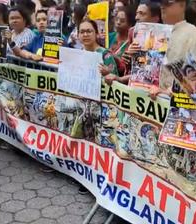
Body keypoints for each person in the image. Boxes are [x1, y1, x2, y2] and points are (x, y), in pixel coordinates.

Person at [77, 19, 118, 194]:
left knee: (103, 141)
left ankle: (103, 179)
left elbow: (115, 78)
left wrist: (107, 73)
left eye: (89, 31)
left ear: (96, 34)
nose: (85, 34)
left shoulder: (105, 54)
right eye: (82, 31)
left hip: (102, 108)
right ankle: (87, 177)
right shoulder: (78, 54)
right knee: (87, 140)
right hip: (85, 105)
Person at [150, 0, 196, 99]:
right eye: (161, 3)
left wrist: (169, 91)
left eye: (167, 4)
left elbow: (195, 76)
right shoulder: (162, 32)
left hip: (177, 103)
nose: (162, 7)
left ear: (182, 5)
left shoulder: (190, 32)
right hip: (159, 99)